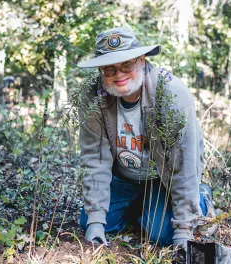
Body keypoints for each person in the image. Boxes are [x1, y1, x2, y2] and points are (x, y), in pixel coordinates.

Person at [77, 27, 217, 261]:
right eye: (109, 67)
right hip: (123, 177)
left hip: (162, 179)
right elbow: (95, 159)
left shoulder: (172, 94)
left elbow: (185, 165)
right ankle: (143, 208)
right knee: (91, 221)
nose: (118, 73)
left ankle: (201, 197)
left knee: (163, 235)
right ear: (101, 70)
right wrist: (95, 221)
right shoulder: (93, 97)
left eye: (126, 64)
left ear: (142, 60)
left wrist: (183, 230)